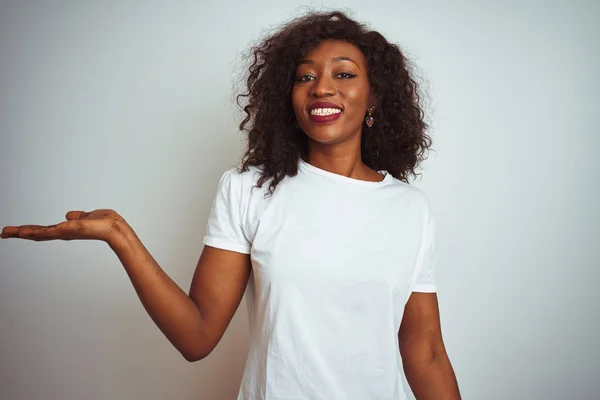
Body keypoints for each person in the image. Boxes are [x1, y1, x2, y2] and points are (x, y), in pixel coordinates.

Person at [1, 10, 461, 400]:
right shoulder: (249, 189)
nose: (321, 87)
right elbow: (196, 336)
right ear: (289, 96)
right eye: (305, 76)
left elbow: (426, 354)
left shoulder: (408, 207)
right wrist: (119, 236)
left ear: (375, 95)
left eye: (343, 74)